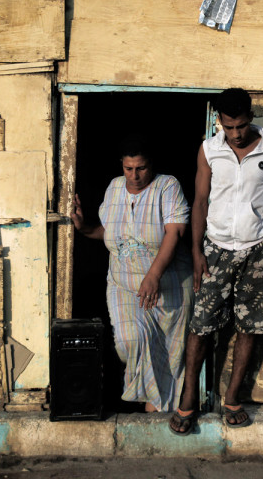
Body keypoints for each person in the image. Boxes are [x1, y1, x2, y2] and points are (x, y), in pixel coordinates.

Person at [169, 88, 263, 435]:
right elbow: (199, 201)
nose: (236, 134)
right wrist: (197, 251)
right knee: (201, 326)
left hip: (257, 249)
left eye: (241, 126)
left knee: (250, 326)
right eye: (229, 127)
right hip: (216, 248)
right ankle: (189, 399)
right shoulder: (209, 150)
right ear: (219, 122)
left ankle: (232, 398)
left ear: (250, 120)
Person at [71, 136, 193, 412]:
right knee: (130, 342)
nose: (135, 175)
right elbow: (113, 235)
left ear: (152, 165)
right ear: (122, 166)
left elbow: (174, 232)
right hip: (124, 285)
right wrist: (84, 228)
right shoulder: (114, 188)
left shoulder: (167, 185)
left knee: (169, 353)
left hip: (169, 285)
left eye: (141, 168)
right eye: (129, 168)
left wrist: (153, 275)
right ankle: (152, 405)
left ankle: (156, 413)